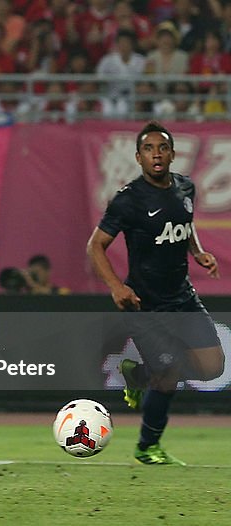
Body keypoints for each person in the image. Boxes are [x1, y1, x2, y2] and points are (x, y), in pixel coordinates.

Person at [87, 120, 223, 466]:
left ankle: (138, 373)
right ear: (138, 157)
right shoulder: (128, 201)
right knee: (170, 375)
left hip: (183, 298)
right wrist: (116, 286)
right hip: (144, 304)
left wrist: (198, 252)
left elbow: (185, 225)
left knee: (213, 367)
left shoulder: (186, 188)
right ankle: (147, 446)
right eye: (149, 149)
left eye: (162, 148)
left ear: (173, 154)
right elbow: (95, 246)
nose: (156, 154)